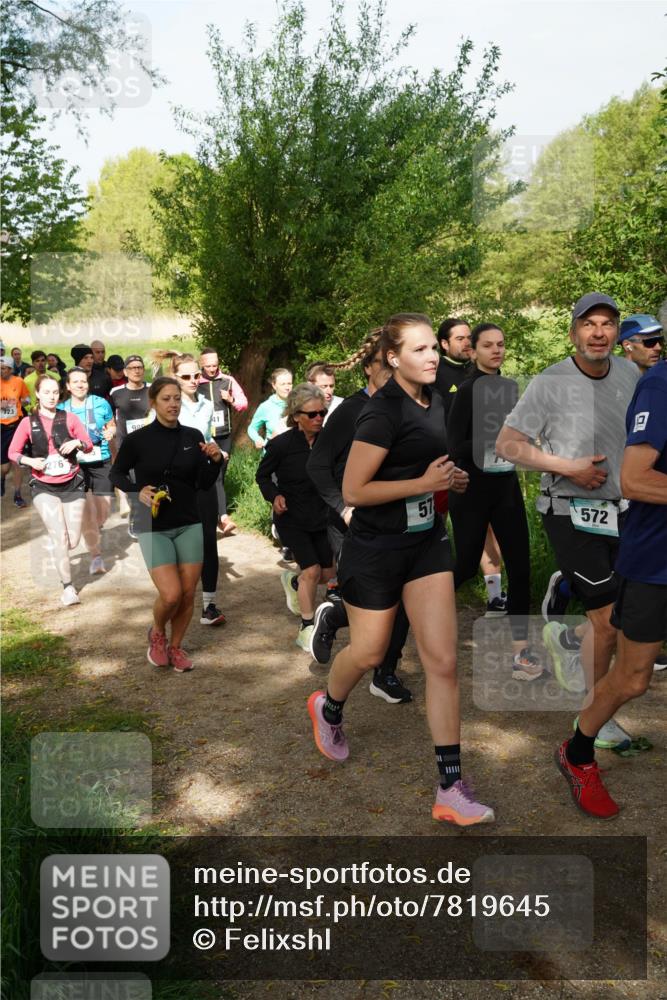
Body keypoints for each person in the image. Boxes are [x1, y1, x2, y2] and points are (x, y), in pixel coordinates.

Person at [307, 312, 493, 825]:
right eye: (419, 349)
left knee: (443, 662)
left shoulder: (438, 401)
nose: (432, 356)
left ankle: (450, 788)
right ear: (393, 358)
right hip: (375, 549)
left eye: (434, 347)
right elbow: (354, 490)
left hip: (427, 542)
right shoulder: (381, 411)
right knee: (369, 652)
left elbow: (427, 464)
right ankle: (328, 706)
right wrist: (422, 484)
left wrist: (449, 480)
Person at [496, 291, 640, 749]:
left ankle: (567, 639)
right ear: (574, 332)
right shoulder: (550, 382)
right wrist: (569, 467)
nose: (598, 333)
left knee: (624, 613)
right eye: (588, 324)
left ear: (617, 333)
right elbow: (507, 444)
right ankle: (595, 716)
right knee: (608, 621)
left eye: (607, 324)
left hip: (622, 511)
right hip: (568, 510)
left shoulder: (630, 373)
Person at [555, 356, 667, 818]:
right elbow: (635, 479)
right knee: (633, 678)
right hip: (656, 562)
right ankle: (577, 751)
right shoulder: (660, 385)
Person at [306, 332, 412, 703]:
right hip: (351, 522)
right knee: (376, 601)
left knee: (402, 596)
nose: (392, 371)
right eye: (384, 364)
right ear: (368, 367)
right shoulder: (351, 411)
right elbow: (317, 465)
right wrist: (343, 507)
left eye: (397, 363)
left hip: (397, 520)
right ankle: (335, 616)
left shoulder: (407, 406)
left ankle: (385, 673)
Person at [447, 324, 542, 680]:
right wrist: (491, 442)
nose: (496, 350)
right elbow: (453, 445)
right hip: (471, 489)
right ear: (473, 351)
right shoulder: (466, 390)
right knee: (465, 566)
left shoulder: (509, 387)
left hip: (505, 487)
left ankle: (521, 653)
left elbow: (517, 436)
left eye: (501, 344)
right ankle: (414, 607)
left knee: (520, 567)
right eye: (488, 345)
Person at [109, 377, 223, 671]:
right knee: (171, 594)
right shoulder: (138, 440)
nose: (173, 404)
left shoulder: (192, 436)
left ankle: (176, 647)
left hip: (189, 522)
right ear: (153, 403)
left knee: (187, 593)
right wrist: (137, 490)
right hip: (153, 525)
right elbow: (116, 474)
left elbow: (203, 483)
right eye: (166, 399)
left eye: (176, 399)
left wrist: (215, 462)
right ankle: (158, 632)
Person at [256, 383, 336, 650]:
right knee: (311, 571)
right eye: (312, 414)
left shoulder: (329, 442)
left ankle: (294, 581)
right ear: (296, 416)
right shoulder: (281, 444)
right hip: (292, 517)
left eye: (322, 413)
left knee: (328, 573)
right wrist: (274, 496)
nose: (318, 418)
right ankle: (307, 627)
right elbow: (262, 476)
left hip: (321, 516)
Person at [154, 351, 226, 627]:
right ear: (175, 377)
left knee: (208, 540)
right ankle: (174, 600)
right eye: (186, 376)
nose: (194, 380)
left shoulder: (206, 405)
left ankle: (209, 606)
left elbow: (206, 438)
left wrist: (214, 451)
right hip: (175, 485)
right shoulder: (168, 405)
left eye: (197, 375)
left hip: (202, 480)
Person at [8, 376, 94, 606]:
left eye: (55, 392)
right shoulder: (28, 422)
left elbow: (88, 444)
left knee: (73, 540)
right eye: (46, 392)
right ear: (37, 394)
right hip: (43, 485)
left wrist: (77, 443)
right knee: (60, 537)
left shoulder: (70, 418)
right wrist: (30, 461)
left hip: (72, 483)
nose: (51, 396)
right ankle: (68, 588)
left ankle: (60, 549)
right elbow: (13, 452)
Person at [59, 367, 116, 575]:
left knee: (103, 512)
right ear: (68, 386)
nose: (80, 385)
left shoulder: (100, 403)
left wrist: (111, 431)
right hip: (76, 464)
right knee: (86, 512)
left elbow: (111, 424)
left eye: (83, 381)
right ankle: (96, 557)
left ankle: (94, 527)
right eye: (75, 382)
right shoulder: (62, 409)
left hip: (100, 460)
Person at [198, 347, 248, 536]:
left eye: (215, 365)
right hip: (204, 436)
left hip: (224, 435)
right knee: (215, 475)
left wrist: (231, 399)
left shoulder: (228, 380)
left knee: (220, 475)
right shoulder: (196, 381)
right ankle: (223, 517)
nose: (212, 369)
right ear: (201, 364)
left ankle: (215, 512)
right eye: (208, 366)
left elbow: (243, 404)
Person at [110, 355, 152, 528]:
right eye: (132, 368)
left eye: (140, 367)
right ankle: (136, 519)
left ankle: (151, 519)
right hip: (126, 445)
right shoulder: (116, 393)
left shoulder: (152, 389)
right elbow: (109, 417)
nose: (137, 370)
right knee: (135, 484)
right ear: (125, 372)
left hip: (150, 445)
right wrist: (111, 431)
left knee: (150, 482)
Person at [1, 355, 31, 507]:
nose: (1, 371)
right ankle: (2, 478)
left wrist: (24, 401)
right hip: (1, 427)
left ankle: (17, 494)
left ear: (11, 369)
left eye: (3, 368)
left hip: (15, 426)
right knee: (4, 467)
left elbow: (27, 398)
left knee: (17, 461)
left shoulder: (19, 382)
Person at [247, 368, 293, 448]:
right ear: (274, 385)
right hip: (272, 452)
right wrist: (258, 439)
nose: (287, 387)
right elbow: (252, 428)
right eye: (283, 384)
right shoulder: (266, 406)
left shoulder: (298, 405)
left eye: (289, 383)